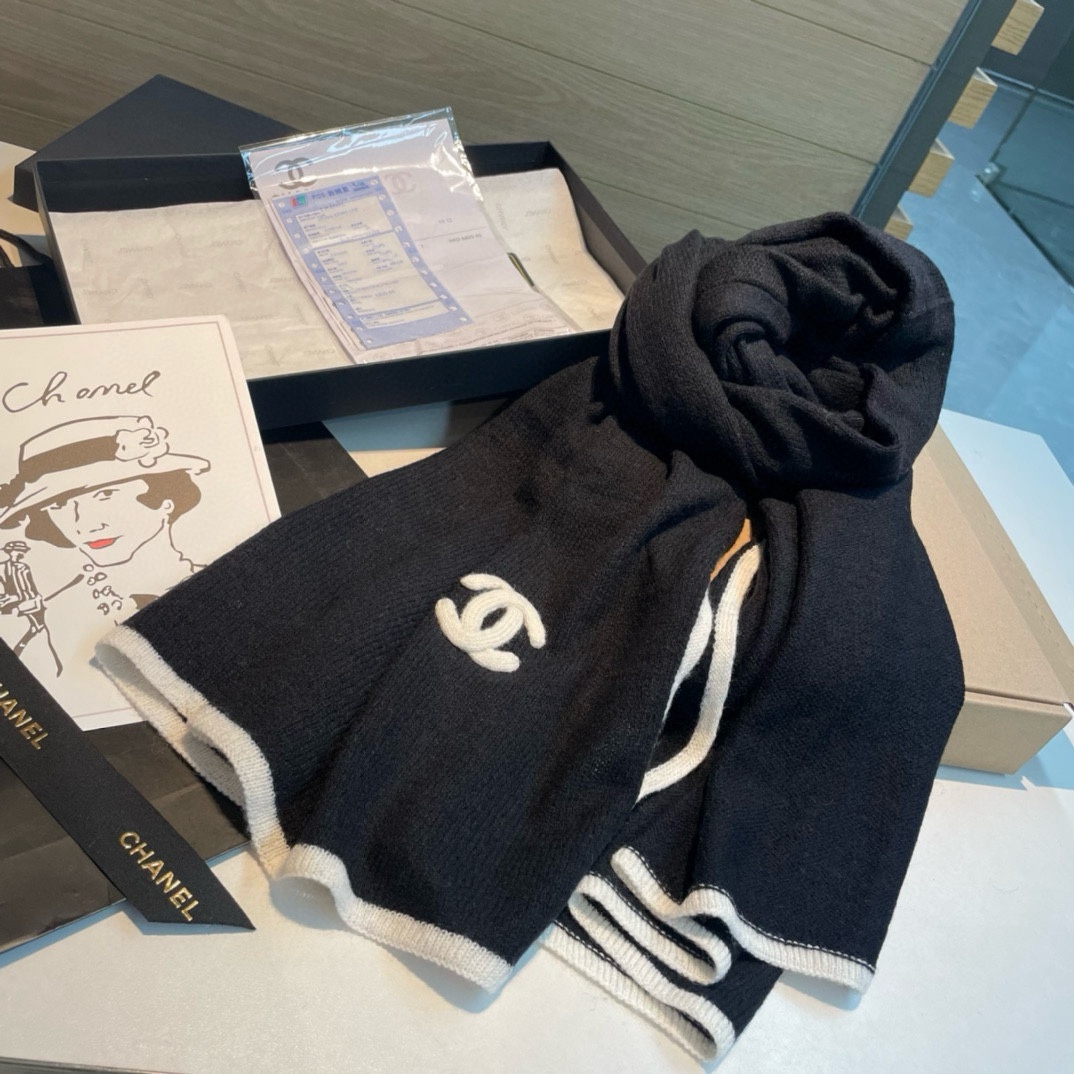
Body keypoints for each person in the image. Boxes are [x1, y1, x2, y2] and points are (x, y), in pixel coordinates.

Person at [0, 415, 210, 622]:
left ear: (166, 499)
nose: (85, 526)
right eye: (59, 505)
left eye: (105, 495)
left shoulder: (218, 585)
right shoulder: (53, 616)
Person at [0, 539, 62, 673]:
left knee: (39, 628)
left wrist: (37, 597)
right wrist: (8, 598)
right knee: (37, 629)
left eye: (22, 551)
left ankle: (20, 650)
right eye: (18, 551)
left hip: (32, 601)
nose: (20, 554)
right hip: (14, 604)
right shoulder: (3, 567)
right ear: (10, 551)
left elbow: (30, 586)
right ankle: (17, 655)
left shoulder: (24, 567)